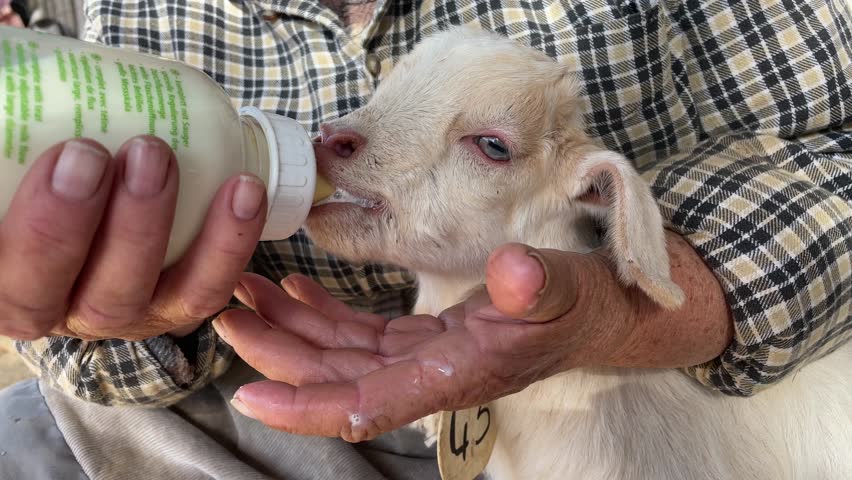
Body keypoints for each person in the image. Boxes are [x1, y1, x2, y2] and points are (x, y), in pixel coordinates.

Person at [0, 0, 850, 478]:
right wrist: (88, 309)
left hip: (732, 354)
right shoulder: (86, 19)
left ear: (601, 194)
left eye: (487, 147)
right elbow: (75, 349)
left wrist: (652, 306)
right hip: (257, 376)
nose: (337, 135)